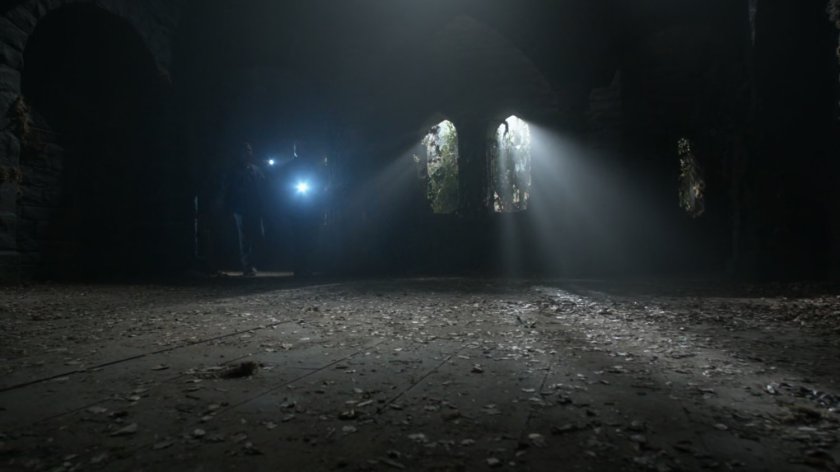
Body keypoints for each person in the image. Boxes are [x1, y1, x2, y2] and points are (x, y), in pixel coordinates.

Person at [283, 142, 329, 276]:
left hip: (312, 205)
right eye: (298, 149)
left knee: (311, 238)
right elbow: (283, 185)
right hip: (296, 207)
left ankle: (308, 266)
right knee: (298, 238)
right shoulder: (289, 166)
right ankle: (299, 267)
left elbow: (321, 183)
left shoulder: (314, 166)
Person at [224, 142, 266, 276]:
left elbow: (263, 186)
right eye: (245, 151)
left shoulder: (256, 169)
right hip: (241, 208)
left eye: (250, 150)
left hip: (255, 207)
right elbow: (231, 189)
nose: (248, 153)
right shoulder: (235, 171)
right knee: (244, 237)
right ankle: (247, 265)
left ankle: (253, 263)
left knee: (257, 235)